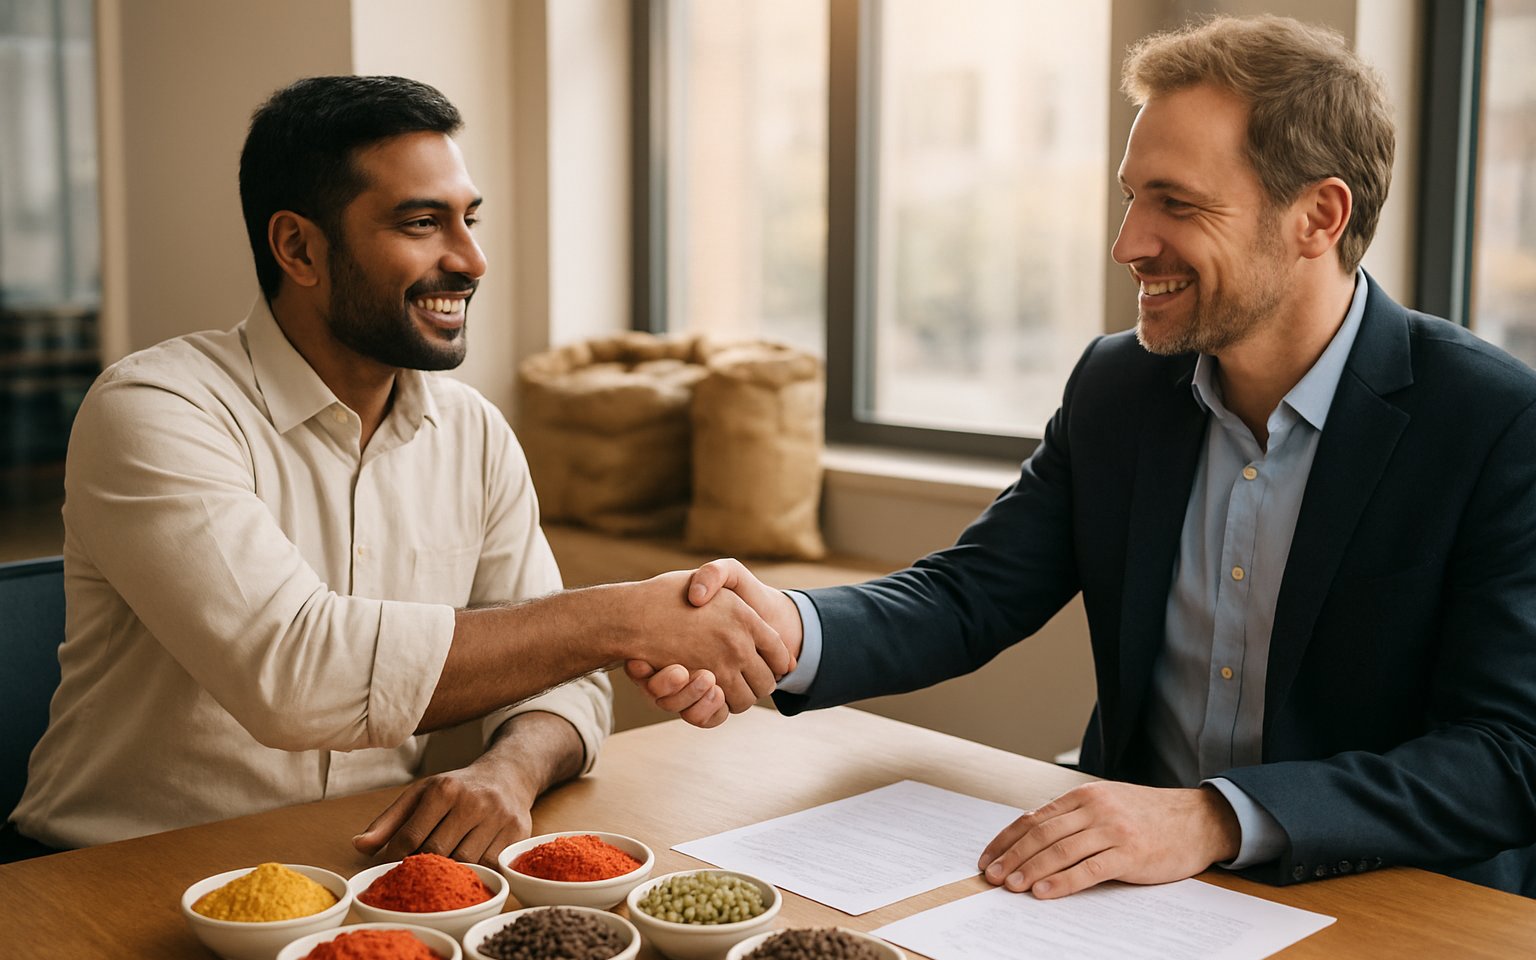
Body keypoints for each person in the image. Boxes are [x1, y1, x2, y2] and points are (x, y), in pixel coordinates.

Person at [632, 16, 1536, 898]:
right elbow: (971, 594)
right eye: (1131, 197)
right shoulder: (1120, 387)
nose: (1128, 245)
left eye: (1176, 204)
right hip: (1128, 898)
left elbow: (1508, 754)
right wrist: (786, 630)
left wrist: (1215, 818)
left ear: (1318, 216)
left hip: (1391, 905)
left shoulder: (1493, 422)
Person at [5, 76, 791, 866]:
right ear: (299, 248)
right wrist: (623, 616)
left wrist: (507, 771)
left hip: (350, 874)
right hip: (102, 873)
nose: (472, 259)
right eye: (423, 223)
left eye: (469, 220)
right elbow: (297, 675)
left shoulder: (474, 432)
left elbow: (563, 679)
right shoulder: (155, 408)